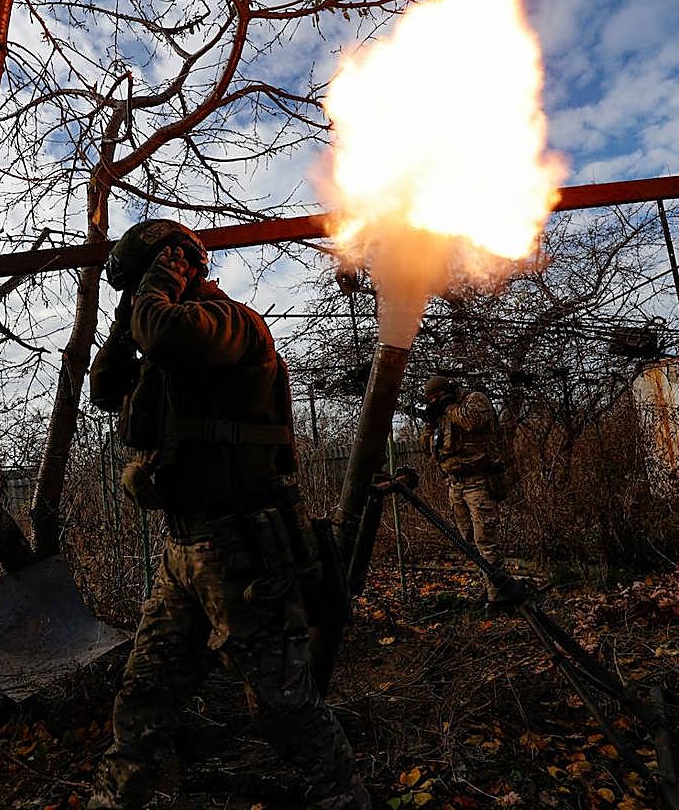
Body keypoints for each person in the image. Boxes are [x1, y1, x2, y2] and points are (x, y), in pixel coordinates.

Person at [87, 219, 369, 810]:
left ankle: (344, 797)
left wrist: (160, 280)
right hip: (184, 550)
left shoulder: (227, 322)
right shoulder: (161, 334)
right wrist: (122, 320)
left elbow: (164, 334)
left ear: (175, 267)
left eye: (146, 281)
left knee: (282, 705)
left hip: (242, 545)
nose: (140, 297)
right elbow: (105, 388)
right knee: (144, 693)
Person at [417, 376, 508, 608]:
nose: (435, 402)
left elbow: (471, 422)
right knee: (468, 541)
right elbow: (426, 445)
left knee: (486, 540)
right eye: (431, 400)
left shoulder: (474, 400)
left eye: (437, 397)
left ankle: (498, 596)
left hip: (478, 482)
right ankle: (487, 589)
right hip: (455, 484)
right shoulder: (441, 416)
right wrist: (430, 421)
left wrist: (448, 406)